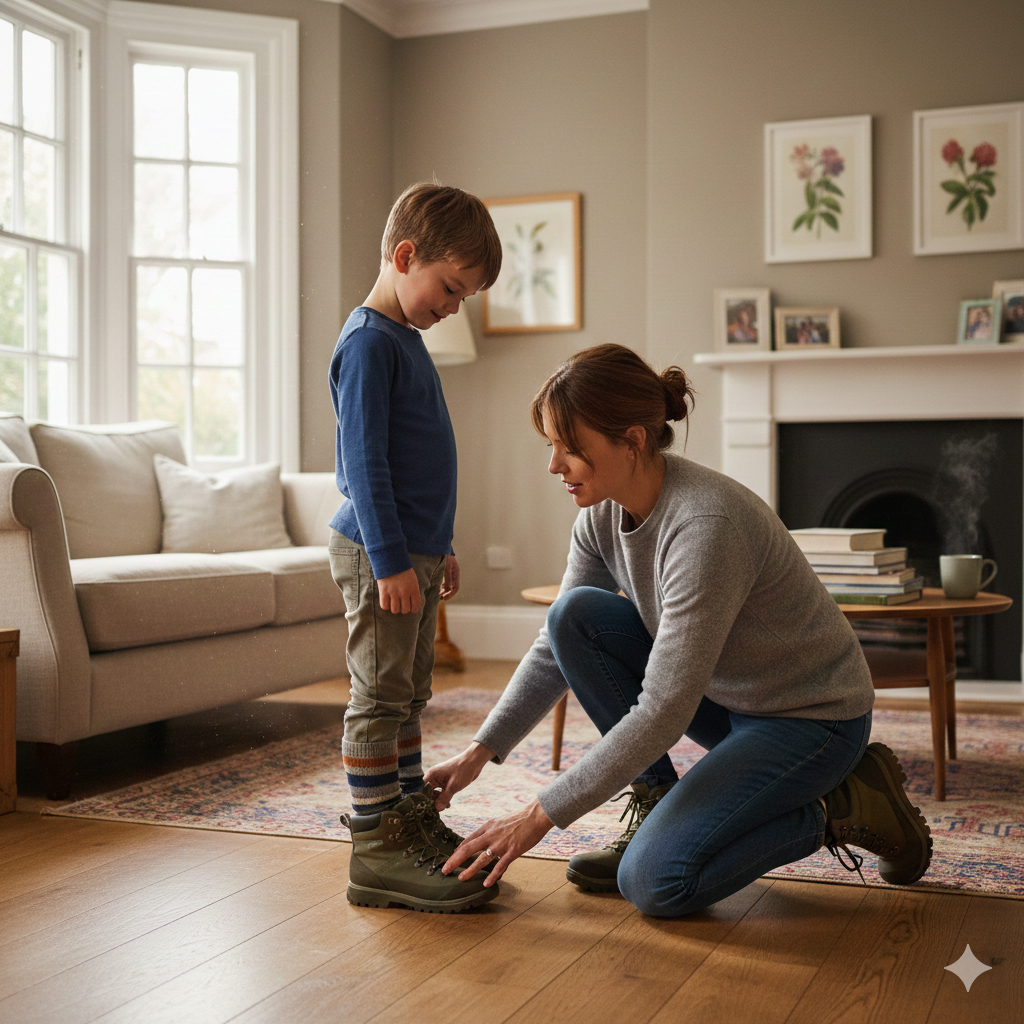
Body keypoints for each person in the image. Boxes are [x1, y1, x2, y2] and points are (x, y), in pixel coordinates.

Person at [426, 343, 933, 918]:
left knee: (655, 882)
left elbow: (664, 707)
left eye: (571, 448)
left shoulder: (704, 527)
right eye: (551, 445)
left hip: (811, 721)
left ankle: (842, 806)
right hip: (726, 700)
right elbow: (555, 647)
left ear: (633, 440)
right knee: (574, 616)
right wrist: (477, 753)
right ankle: (655, 801)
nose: (553, 465)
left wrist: (536, 816)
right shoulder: (599, 514)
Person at [331, 182, 502, 914]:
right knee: (378, 697)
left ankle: (408, 824)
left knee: (406, 698)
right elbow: (366, 467)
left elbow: (418, 461)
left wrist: (441, 547)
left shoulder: (403, 337)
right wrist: (394, 560)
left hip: (414, 550)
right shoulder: (370, 343)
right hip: (381, 552)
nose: (452, 306)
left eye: (463, 297)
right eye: (450, 288)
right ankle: (375, 849)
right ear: (405, 257)